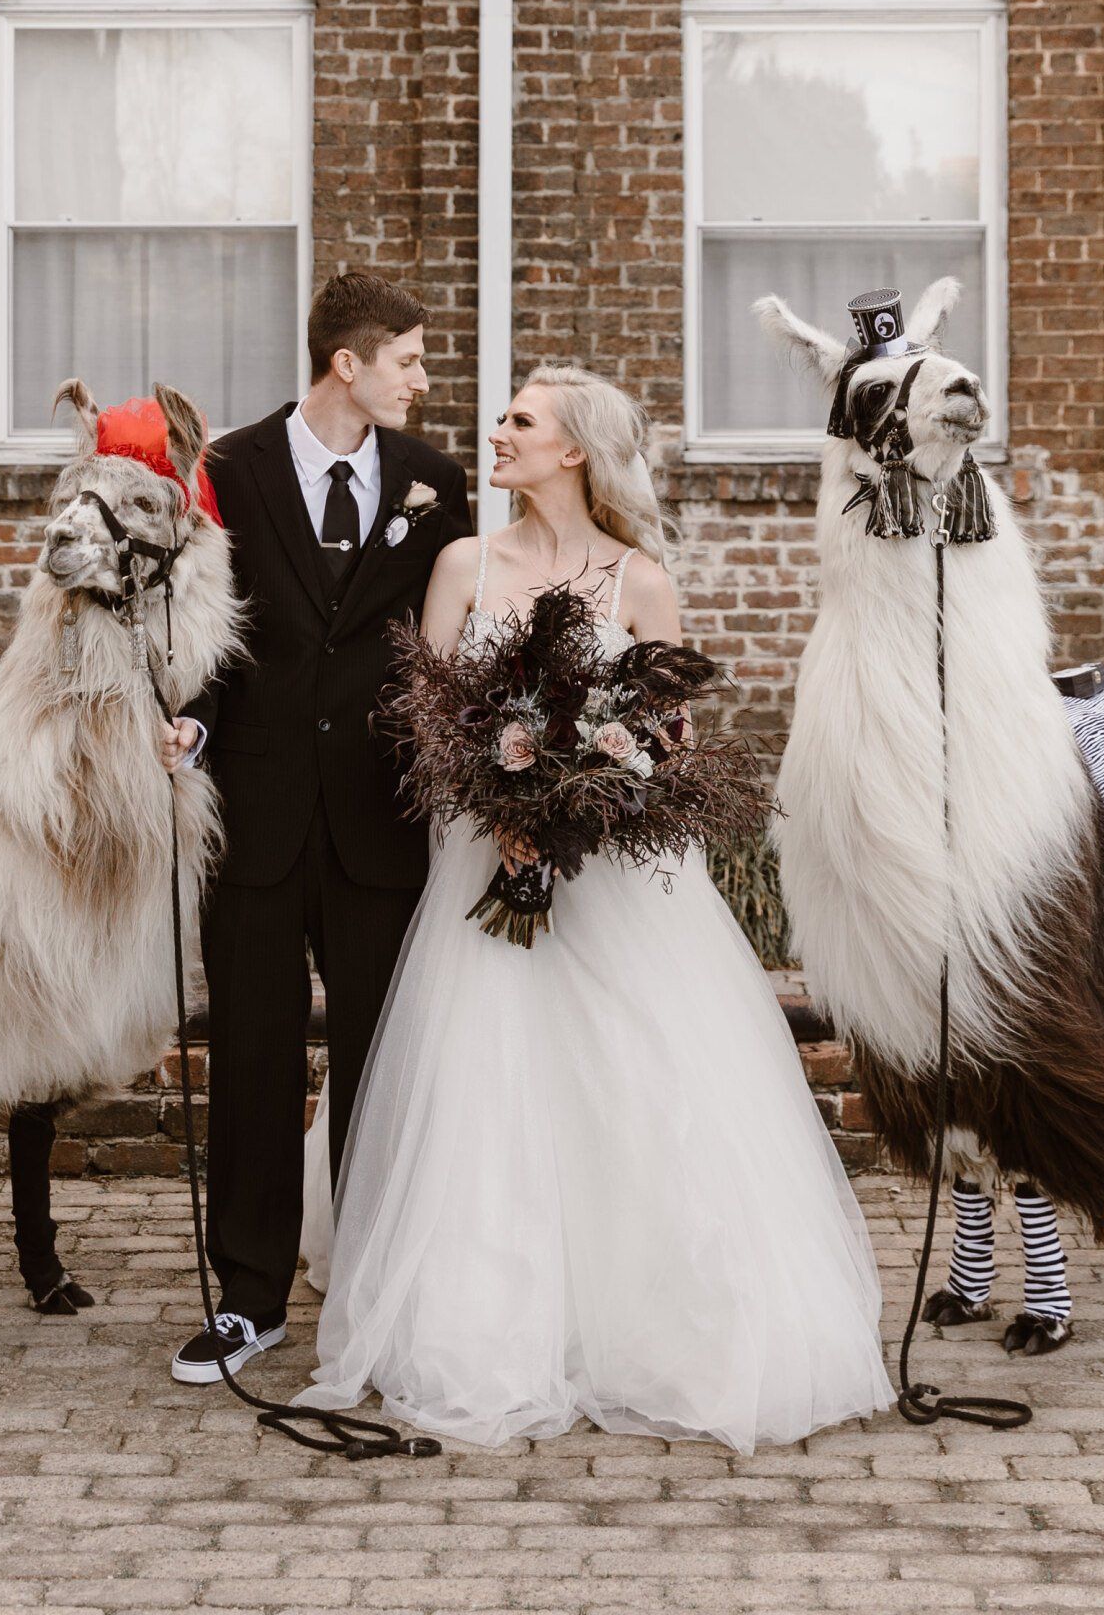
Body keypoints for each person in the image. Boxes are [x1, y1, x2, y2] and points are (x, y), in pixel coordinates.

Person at [297, 364, 893, 1452]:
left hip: (614, 891)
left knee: (638, 1078)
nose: (499, 432)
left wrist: (578, 813)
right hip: (480, 875)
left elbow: (670, 750)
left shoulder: (641, 583)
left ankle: (650, 1321)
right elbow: (423, 723)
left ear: (572, 449)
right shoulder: (463, 564)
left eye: (519, 420)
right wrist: (500, 807)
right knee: (486, 1087)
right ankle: (487, 1322)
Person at [165, 269, 473, 1385]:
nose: (424, 381)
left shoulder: (435, 484)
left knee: (378, 1065)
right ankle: (248, 1299)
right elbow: (205, 625)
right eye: (410, 360)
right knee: (249, 1058)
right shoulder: (229, 471)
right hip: (252, 813)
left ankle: (376, 1291)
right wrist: (187, 730)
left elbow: (451, 653)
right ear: (348, 363)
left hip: (380, 820)